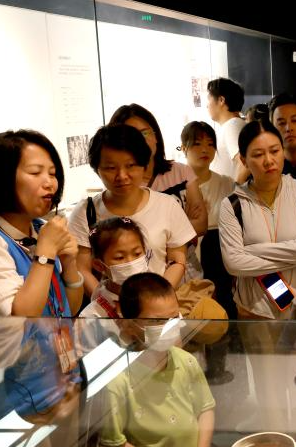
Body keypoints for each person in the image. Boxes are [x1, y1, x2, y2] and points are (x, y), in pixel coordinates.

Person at [0, 130, 83, 317]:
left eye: (53, 173)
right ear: (1, 178)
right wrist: (46, 253)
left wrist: (69, 263)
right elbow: (19, 318)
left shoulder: (40, 228)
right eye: (35, 172)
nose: (50, 183)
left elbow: (68, 310)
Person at [68, 124, 196, 295]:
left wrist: (154, 299)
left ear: (144, 165)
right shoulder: (85, 212)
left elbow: (177, 260)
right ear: (97, 169)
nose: (122, 176)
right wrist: (106, 302)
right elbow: (82, 269)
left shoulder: (167, 205)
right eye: (110, 168)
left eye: (131, 165)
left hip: (159, 301)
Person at [100, 273, 215, 447]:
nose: (168, 326)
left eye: (174, 317)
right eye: (156, 321)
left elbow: (205, 408)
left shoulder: (187, 361)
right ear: (129, 324)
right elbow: (114, 441)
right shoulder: (118, 380)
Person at [218, 119, 296, 321]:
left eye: (274, 151)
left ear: (283, 151)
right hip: (254, 309)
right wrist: (295, 256)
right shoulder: (232, 205)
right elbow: (233, 263)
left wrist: (250, 250)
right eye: (258, 155)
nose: (268, 160)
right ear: (243, 160)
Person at [109, 104, 208, 238]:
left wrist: (150, 231)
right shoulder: (122, 182)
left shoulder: (181, 172)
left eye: (144, 133)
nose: (141, 141)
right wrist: (182, 222)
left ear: (156, 136)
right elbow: (127, 239)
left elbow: (201, 225)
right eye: (132, 136)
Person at [181, 121, 237, 318]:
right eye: (197, 144)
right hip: (188, 256)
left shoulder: (226, 183)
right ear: (184, 148)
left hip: (220, 256)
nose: (205, 149)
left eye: (210, 144)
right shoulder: (176, 185)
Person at [79, 217, 149, 318]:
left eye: (137, 253)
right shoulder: (93, 314)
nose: (131, 262)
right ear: (99, 265)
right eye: (119, 257)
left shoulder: (159, 294)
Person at [207, 77, 245, 180]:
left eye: (209, 99)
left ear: (221, 100)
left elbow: (245, 164)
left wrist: (235, 189)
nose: (207, 105)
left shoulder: (233, 125)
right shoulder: (231, 125)